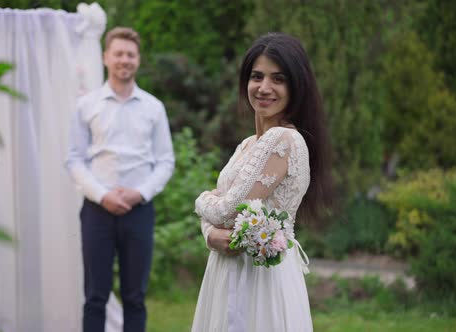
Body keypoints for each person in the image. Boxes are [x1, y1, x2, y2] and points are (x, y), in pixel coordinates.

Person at [191, 32, 333, 332]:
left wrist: (200, 200)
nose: (264, 88)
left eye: (278, 79)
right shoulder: (246, 145)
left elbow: (226, 209)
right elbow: (222, 213)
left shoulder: (283, 139)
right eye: (257, 76)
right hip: (228, 268)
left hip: (260, 279)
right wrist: (209, 234)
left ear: (296, 86)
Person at [65, 26, 175, 332]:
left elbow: (165, 161)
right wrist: (103, 195)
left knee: (135, 297)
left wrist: (138, 194)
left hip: (139, 211)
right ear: (105, 57)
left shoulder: (154, 108)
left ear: (138, 60)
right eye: (118, 53)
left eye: (130, 54)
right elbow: (74, 158)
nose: (124, 59)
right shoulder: (86, 106)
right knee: (95, 297)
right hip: (97, 211)